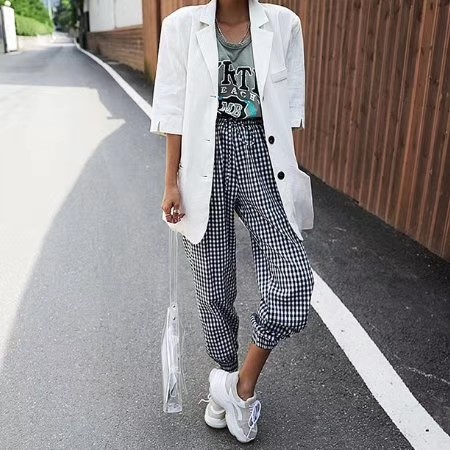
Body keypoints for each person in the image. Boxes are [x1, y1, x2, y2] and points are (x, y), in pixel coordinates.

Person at [150, 0, 315, 444]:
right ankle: (223, 379)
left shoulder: (284, 24)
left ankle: (239, 387)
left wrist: (287, 177)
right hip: (203, 160)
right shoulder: (181, 26)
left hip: (263, 157)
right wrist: (171, 183)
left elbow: (289, 113)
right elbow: (172, 110)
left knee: (294, 280)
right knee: (214, 286)